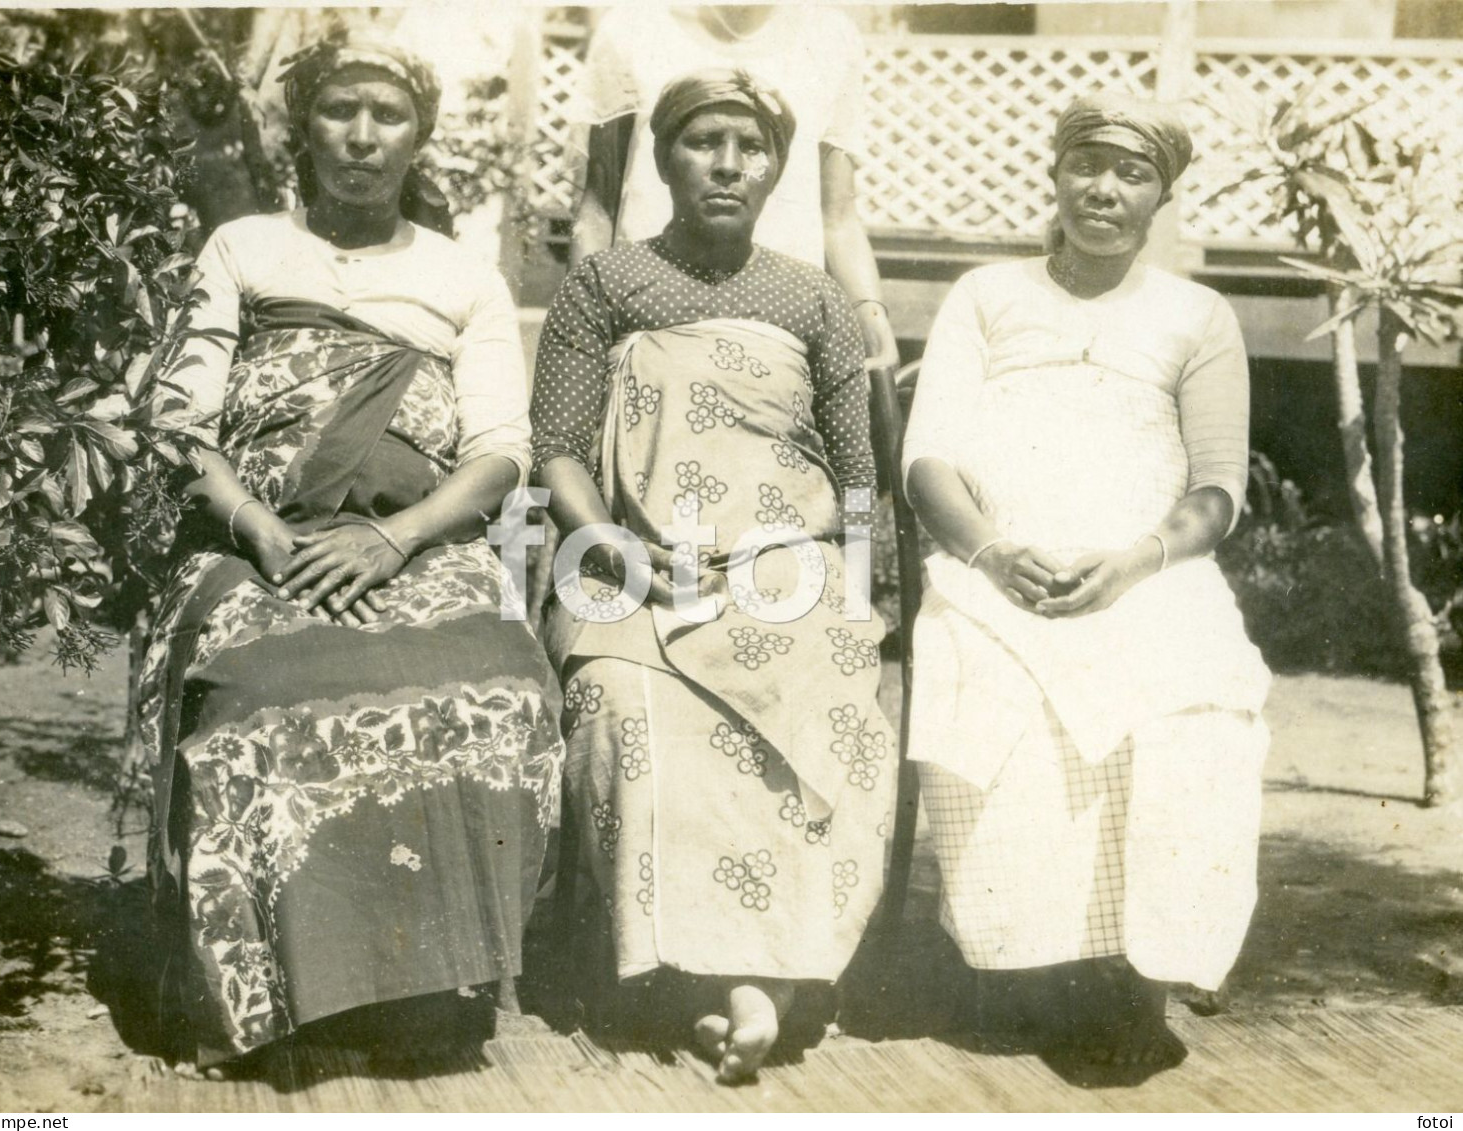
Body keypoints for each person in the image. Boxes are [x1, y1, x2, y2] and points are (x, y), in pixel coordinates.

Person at [135, 32, 564, 1072]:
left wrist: (395, 537)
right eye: (339, 111)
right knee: (250, 688)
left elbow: (503, 448)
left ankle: (426, 975)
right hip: (257, 536)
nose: (361, 137)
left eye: (387, 116)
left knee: (500, 679)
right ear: (302, 126)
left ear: (418, 137)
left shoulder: (459, 276)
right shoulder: (243, 248)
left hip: (414, 540)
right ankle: (276, 990)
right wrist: (262, 533)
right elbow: (181, 427)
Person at [531, 71, 895, 1083]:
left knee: (835, 709)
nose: (728, 164)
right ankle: (712, 980)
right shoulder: (604, 287)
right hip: (635, 560)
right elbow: (556, 446)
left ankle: (769, 978)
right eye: (703, 142)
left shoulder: (811, 296)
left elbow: (856, 473)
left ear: (778, 166)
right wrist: (605, 541)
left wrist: (866, 594)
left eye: (751, 145)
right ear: (662, 158)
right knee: (620, 704)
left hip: (789, 565)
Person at [901, 93, 1272, 1070]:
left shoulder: (1197, 314)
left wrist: (1134, 561)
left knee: (1201, 706)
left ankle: (1143, 962)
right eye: (1086, 165)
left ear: (1160, 197)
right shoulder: (986, 295)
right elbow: (927, 460)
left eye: (1132, 173)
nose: (1104, 188)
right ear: (1056, 173)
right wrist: (989, 551)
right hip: (997, 566)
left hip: (1145, 568)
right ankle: (1032, 961)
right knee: (997, 689)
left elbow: (1217, 489)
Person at [569, 4, 898, 372]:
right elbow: (598, 207)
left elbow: (837, 216)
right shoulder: (632, 27)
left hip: (782, 332)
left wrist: (871, 315)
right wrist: (581, 326)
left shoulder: (831, 37)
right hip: (650, 325)